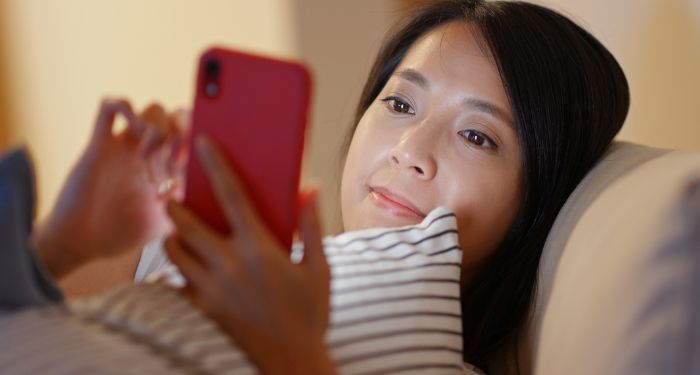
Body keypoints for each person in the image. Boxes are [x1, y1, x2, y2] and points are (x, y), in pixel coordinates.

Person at [3, 0, 629, 373]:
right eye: (401, 105)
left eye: (478, 137)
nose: (409, 151)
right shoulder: (178, 245)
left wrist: (289, 350)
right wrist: (67, 241)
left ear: (538, 199)